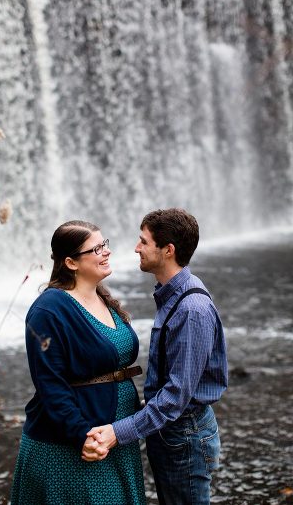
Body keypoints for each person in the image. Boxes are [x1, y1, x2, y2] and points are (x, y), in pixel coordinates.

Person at [86, 208, 228, 504]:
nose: (136, 248)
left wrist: (118, 432)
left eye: (143, 242)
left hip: (184, 435)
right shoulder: (172, 294)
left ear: (168, 250)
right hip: (173, 431)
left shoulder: (191, 310)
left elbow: (176, 396)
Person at [10, 220, 146, 505]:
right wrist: (81, 435)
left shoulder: (102, 299)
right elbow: (50, 384)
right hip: (73, 445)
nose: (106, 252)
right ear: (70, 262)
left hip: (115, 436)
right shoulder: (48, 310)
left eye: (104, 244)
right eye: (95, 249)